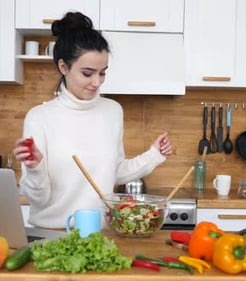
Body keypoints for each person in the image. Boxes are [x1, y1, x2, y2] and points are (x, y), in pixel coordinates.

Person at [13, 12, 173, 229]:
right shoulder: (39, 118)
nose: (97, 82)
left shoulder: (113, 111)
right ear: (63, 67)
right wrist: (35, 168)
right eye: (87, 73)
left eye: (103, 73)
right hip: (51, 235)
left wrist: (154, 155)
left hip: (99, 235)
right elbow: (37, 199)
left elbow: (113, 172)